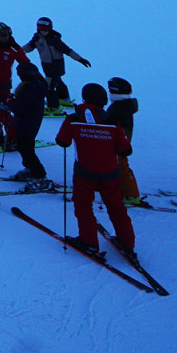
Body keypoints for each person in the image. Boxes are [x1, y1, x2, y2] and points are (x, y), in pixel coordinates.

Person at [56, 82, 136, 256]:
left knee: (83, 206)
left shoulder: (74, 118)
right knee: (116, 207)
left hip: (84, 172)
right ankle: (127, 243)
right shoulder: (111, 121)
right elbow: (126, 150)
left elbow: (62, 141)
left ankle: (89, 242)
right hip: (110, 173)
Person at [21, 16, 91, 111]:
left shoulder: (54, 40)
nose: (43, 31)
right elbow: (29, 47)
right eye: (41, 28)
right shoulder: (37, 39)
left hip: (56, 65)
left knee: (49, 86)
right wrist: (19, 51)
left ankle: (53, 107)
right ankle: (64, 99)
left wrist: (80, 59)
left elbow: (68, 51)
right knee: (58, 81)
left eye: (46, 28)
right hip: (47, 65)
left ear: (50, 28)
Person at [103, 77, 145, 205]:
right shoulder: (122, 105)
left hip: (119, 142)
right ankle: (119, 187)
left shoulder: (119, 108)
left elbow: (110, 123)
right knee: (115, 165)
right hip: (120, 140)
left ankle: (132, 194)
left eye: (110, 90)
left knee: (122, 166)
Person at [8, 58, 50, 181]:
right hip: (28, 123)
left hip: (26, 125)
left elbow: (18, 108)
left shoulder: (29, 89)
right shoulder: (36, 86)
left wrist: (8, 101)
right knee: (24, 148)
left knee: (27, 150)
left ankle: (40, 176)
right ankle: (30, 169)